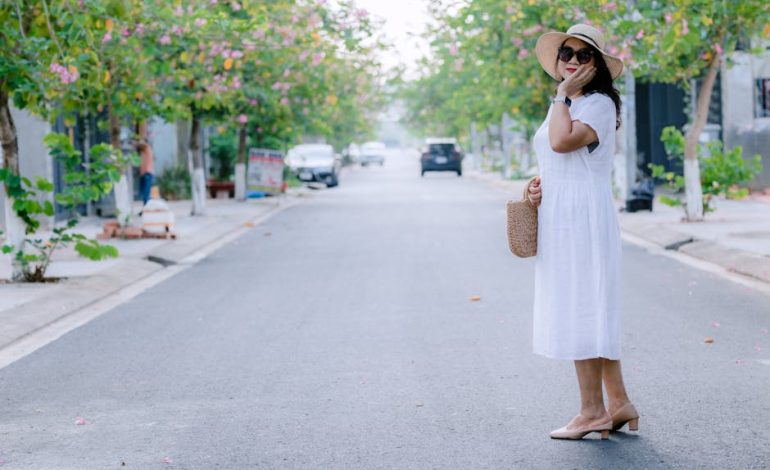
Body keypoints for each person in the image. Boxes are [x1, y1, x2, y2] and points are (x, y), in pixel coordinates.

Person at [527, 24, 638, 440]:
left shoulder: (595, 104)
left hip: (583, 217)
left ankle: (592, 411)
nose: (571, 61)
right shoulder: (568, 102)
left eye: (582, 55)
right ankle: (619, 402)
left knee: (583, 308)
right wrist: (535, 187)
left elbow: (561, 143)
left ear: (597, 66)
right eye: (566, 54)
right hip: (561, 212)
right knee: (589, 305)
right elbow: (552, 160)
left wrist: (560, 96)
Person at [137, 140, 155, 205]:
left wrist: (134, 143)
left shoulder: (147, 148)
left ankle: (146, 208)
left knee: (146, 193)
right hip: (143, 174)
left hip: (148, 173)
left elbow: (141, 144)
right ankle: (146, 207)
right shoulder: (142, 152)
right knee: (143, 193)